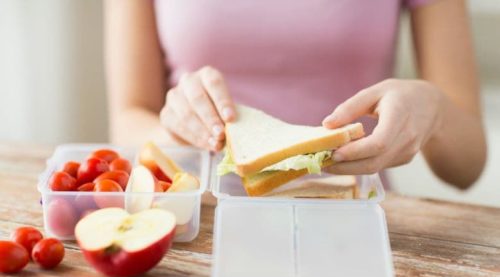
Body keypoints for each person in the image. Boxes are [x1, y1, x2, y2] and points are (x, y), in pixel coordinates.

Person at [105, 0, 486, 189]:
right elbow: (129, 118)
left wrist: (432, 109)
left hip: (355, 221)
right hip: (200, 223)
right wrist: (176, 133)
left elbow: (467, 167)